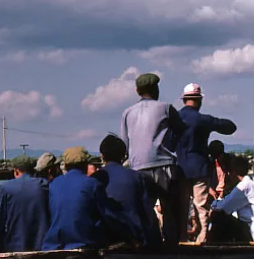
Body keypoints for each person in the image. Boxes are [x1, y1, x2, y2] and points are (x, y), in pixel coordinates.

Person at [121, 73, 187, 246]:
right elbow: (181, 130)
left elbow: (125, 144)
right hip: (164, 164)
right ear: (156, 89)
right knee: (169, 209)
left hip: (138, 168)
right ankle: (172, 246)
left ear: (137, 91)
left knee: (144, 209)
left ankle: (147, 245)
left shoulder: (127, 113)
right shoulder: (166, 108)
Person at [176, 83, 237, 243]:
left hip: (180, 167)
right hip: (199, 167)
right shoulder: (202, 120)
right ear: (199, 100)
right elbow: (230, 127)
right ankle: (202, 238)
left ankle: (181, 238)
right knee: (201, 205)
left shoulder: (174, 119)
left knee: (182, 207)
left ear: (184, 100)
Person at [100, 135, 161, 249]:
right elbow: (147, 213)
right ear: (124, 156)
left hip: (104, 238)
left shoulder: (96, 178)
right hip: (132, 237)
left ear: (102, 155)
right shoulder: (136, 177)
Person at [42, 147, 109, 251]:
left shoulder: (54, 184)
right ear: (85, 165)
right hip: (84, 243)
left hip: (54, 245)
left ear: (66, 166)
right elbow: (106, 214)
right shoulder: (93, 184)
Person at [210, 155, 254, 243]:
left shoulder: (244, 186)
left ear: (232, 172)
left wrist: (213, 202)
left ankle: (211, 249)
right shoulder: (253, 185)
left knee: (218, 216)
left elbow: (223, 207)